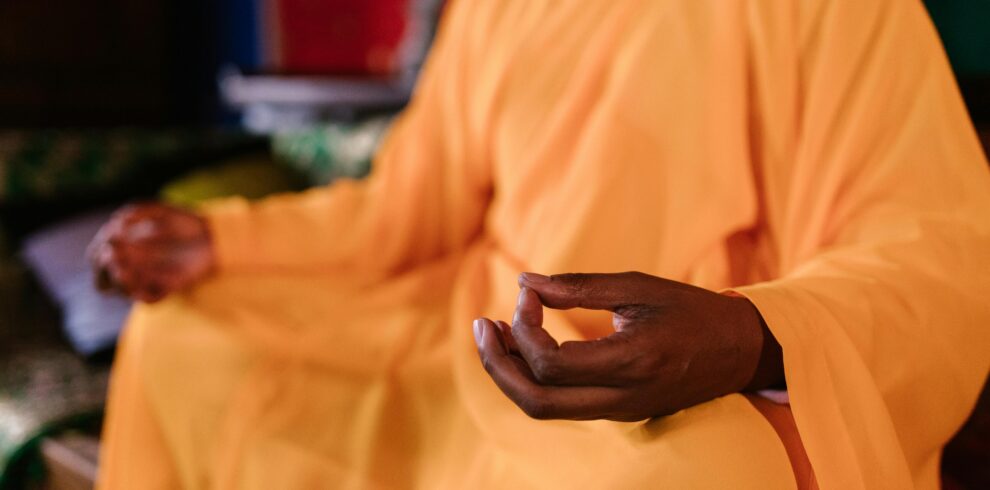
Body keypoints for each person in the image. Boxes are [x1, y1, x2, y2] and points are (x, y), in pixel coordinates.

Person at [91, 0, 990, 488]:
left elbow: (939, 255)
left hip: (706, 384)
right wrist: (223, 240)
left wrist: (750, 335)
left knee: (694, 477)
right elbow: (406, 208)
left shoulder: (844, 10)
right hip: (480, 348)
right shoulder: (499, 8)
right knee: (183, 339)